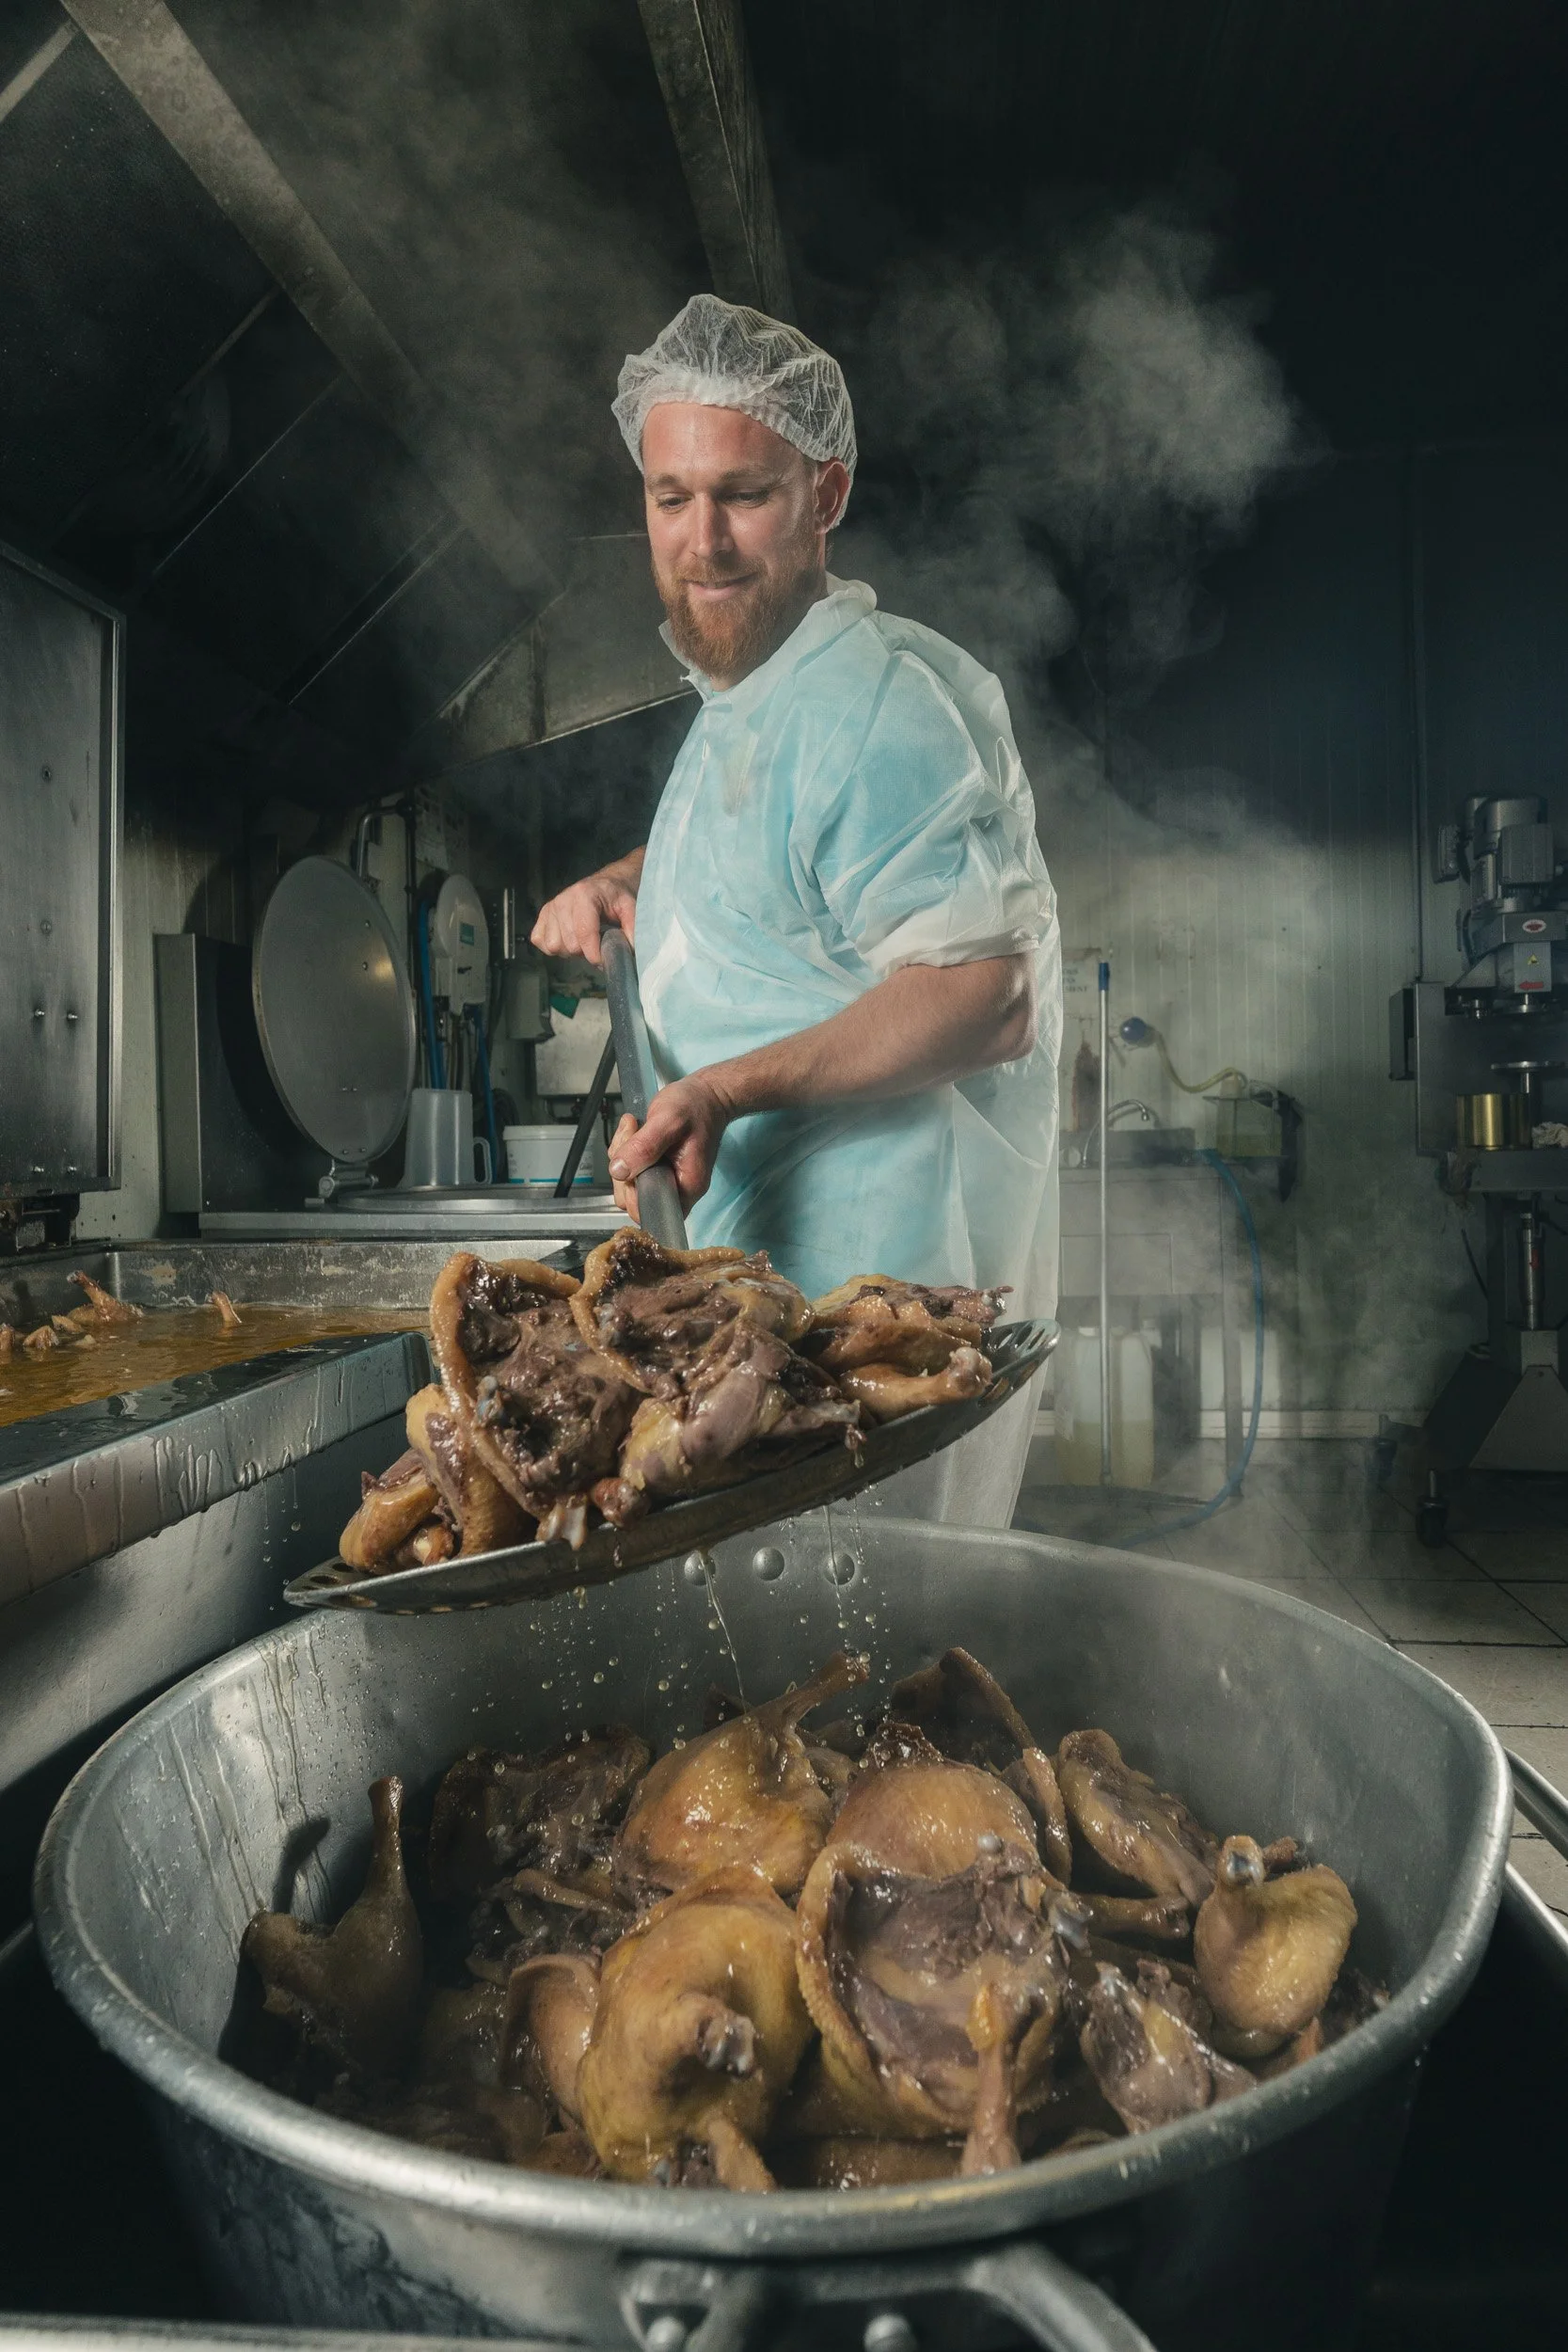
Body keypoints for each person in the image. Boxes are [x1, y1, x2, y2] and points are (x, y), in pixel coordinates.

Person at [532, 295, 1061, 1525]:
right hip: (759, 1312)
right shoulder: (763, 699)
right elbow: (778, 870)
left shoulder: (869, 707)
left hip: (855, 1333)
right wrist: (635, 878)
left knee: (846, 1680)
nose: (702, 539)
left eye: (743, 494)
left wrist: (721, 1091)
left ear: (823, 497)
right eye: (671, 496)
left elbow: (986, 997)